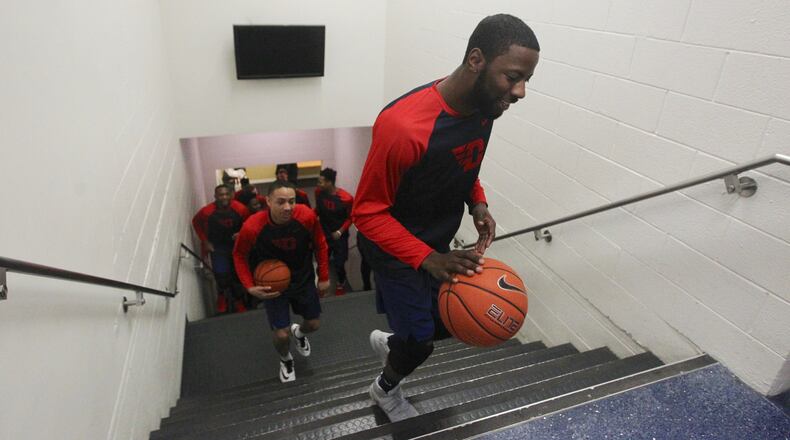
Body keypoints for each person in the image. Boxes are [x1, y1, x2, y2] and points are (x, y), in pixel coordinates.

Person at [351, 14, 540, 422]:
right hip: (395, 248)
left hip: (435, 243)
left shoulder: (485, 105)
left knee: (449, 322)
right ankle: (383, 391)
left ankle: (393, 340)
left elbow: (461, 165)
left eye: (526, 79)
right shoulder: (403, 127)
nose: (521, 91)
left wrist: (478, 203)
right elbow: (366, 213)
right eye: (513, 77)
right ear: (476, 60)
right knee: (420, 342)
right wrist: (427, 258)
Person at [233, 180, 330, 383]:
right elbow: (239, 255)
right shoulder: (252, 227)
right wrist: (249, 286)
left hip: (302, 278)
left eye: (291, 201)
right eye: (281, 202)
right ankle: (285, 359)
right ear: (268, 201)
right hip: (273, 284)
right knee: (281, 335)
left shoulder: (306, 216)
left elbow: (320, 244)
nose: (287, 207)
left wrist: (324, 276)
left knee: (313, 324)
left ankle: (299, 332)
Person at [192, 184, 251, 313]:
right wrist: (205, 241)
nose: (224, 197)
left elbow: (250, 224)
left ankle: (239, 300)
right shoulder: (206, 211)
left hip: (236, 247)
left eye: (226, 194)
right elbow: (195, 222)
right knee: (221, 275)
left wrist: (241, 233)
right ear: (215, 196)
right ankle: (222, 296)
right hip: (218, 247)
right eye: (220, 195)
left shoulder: (241, 209)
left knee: (237, 276)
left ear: (231, 195)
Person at [314, 167, 354, 296]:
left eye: (321, 182)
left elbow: (351, 218)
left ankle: (340, 285)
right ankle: (321, 285)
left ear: (329, 182)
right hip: (324, 234)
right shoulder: (318, 193)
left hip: (339, 236)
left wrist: (340, 231)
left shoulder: (346, 198)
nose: (318, 184)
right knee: (321, 262)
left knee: (339, 264)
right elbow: (318, 210)